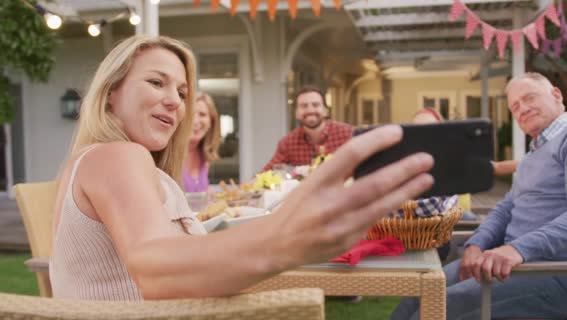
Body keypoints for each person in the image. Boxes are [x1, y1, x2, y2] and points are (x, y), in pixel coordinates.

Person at [49, 35, 435, 301]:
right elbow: (154, 270)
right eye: (156, 82)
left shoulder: (95, 159)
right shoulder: (118, 155)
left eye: (182, 92)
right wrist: (289, 237)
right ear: (111, 93)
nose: (175, 102)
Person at [392, 72, 567, 319]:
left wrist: (517, 249)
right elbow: (506, 208)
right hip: (517, 267)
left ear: (556, 95)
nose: (522, 109)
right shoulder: (533, 154)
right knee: (419, 293)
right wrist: (476, 244)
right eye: (515, 106)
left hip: (563, 277)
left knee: (439, 308)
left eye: (530, 98)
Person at [261, 85, 353, 172]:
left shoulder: (347, 134)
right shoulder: (288, 143)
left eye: (315, 105)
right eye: (304, 106)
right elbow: (266, 174)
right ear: (296, 113)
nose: (310, 110)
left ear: (325, 111)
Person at [182, 92, 220, 192]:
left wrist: (208, 193)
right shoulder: (168, 156)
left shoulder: (205, 156)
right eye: (190, 114)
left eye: (202, 115)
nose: (195, 121)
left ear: (211, 122)